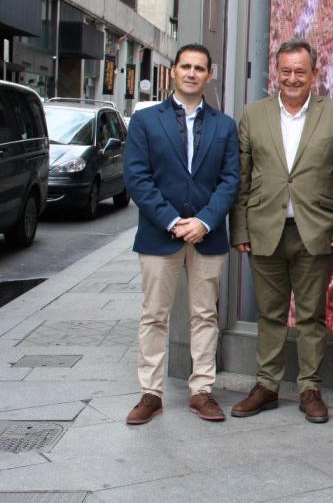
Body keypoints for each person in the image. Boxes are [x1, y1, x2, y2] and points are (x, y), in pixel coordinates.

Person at [229, 39, 333, 423]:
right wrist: (240, 227)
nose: (293, 78)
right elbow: (241, 178)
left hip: (315, 231)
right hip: (265, 229)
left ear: (314, 73)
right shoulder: (253, 114)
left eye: (301, 71)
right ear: (276, 72)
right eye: (286, 70)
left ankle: (309, 388)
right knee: (270, 314)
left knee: (312, 315)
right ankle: (266, 385)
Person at [123, 43, 239, 425]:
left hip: (207, 236)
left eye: (199, 68)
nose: (192, 73)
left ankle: (202, 390)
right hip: (160, 236)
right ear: (173, 71)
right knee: (154, 315)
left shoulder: (224, 125)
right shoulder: (145, 120)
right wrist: (173, 221)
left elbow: (230, 181)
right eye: (185, 66)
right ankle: (150, 393)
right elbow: (137, 179)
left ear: (209, 75)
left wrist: (204, 221)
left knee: (205, 315)